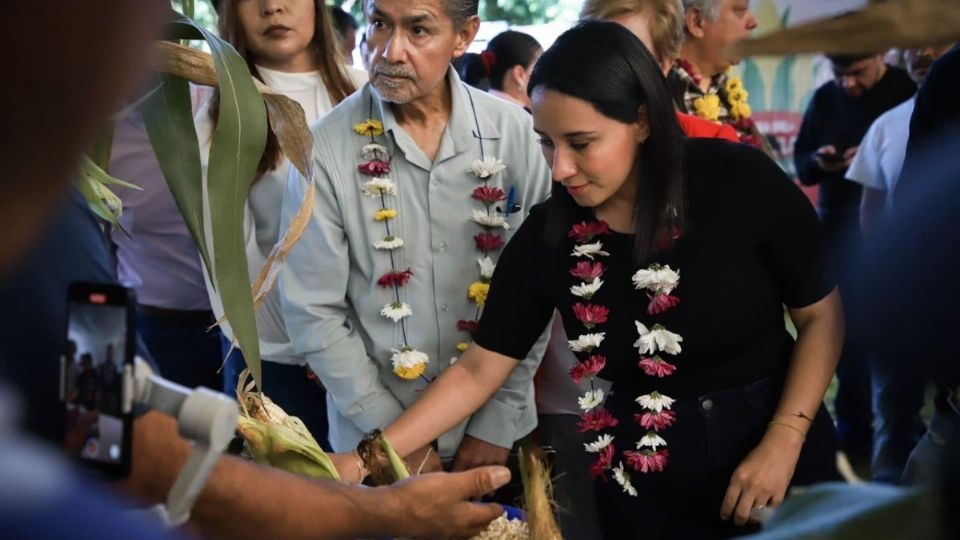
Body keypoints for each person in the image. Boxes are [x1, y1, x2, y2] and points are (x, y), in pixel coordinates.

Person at [0, 1, 515, 538]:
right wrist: (377, 511)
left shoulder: (58, 229)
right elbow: (117, 440)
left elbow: (109, 428)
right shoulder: (54, 237)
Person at [341, 20, 845, 538]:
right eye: (546, 143)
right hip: (645, 478)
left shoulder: (736, 181)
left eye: (581, 143)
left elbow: (821, 317)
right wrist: (359, 462)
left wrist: (784, 439)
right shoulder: (550, 236)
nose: (560, 169)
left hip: (778, 450)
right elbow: (478, 371)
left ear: (643, 121)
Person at [279, 0, 552, 475]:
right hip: (373, 447)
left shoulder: (516, 135)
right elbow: (314, 312)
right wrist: (396, 442)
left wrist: (496, 419)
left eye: (418, 30)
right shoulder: (323, 147)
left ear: (465, 36)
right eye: (380, 24)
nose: (390, 51)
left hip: (497, 440)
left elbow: (536, 294)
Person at [196, 0, 366, 446]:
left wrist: (349, 349)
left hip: (377, 350)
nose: (273, 7)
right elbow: (232, 261)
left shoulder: (366, 93)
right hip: (280, 361)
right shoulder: (220, 118)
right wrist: (314, 346)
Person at [794, 51, 916, 473]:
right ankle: (854, 427)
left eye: (858, 73)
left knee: (888, 333)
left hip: (893, 233)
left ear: (880, 54)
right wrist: (821, 161)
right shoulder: (825, 98)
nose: (848, 84)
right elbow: (802, 163)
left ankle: (903, 427)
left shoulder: (907, 91)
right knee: (841, 330)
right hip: (838, 227)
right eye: (840, 75)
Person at [845, 44, 952, 484]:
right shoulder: (889, 125)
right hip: (911, 295)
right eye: (911, 45)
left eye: (932, 40)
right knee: (895, 415)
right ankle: (887, 497)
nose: (921, 52)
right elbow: (872, 211)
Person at [668, 0, 770, 149]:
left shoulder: (730, 94)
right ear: (696, 22)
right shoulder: (655, 91)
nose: (753, 22)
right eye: (741, 10)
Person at [458, 30, 542, 111]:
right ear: (519, 75)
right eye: (539, 69)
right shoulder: (525, 120)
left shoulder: (475, 110)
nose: (544, 77)